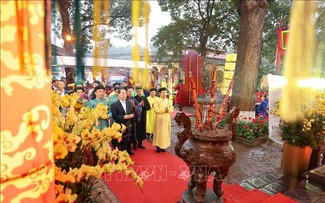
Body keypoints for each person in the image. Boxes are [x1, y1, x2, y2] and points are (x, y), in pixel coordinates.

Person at [111, 88, 134, 154]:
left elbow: (133, 113)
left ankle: (124, 154)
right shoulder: (114, 104)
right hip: (119, 126)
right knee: (118, 141)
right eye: (122, 93)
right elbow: (114, 116)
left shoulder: (129, 103)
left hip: (128, 125)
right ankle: (117, 155)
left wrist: (132, 115)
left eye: (125, 93)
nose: (124, 95)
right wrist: (123, 117)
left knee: (126, 141)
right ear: (118, 94)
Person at [152, 87, 174, 153]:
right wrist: (164, 110)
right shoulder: (157, 100)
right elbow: (155, 109)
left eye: (165, 92)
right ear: (159, 93)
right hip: (159, 119)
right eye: (162, 92)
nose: (164, 94)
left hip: (166, 119)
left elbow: (171, 109)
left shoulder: (168, 101)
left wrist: (168, 110)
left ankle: (163, 146)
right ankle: (158, 146)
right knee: (159, 132)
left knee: (165, 133)